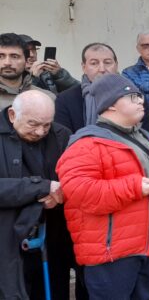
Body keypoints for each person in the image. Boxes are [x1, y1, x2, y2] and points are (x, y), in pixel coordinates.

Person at [56, 73, 149, 299]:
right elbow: (80, 193)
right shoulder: (86, 144)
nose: (141, 101)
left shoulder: (146, 137)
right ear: (110, 106)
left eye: (139, 96)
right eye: (132, 97)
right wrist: (135, 187)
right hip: (114, 251)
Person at [0, 91, 68, 299]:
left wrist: (60, 194)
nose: (40, 132)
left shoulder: (61, 135)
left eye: (46, 125)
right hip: (6, 238)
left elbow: (73, 178)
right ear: (12, 115)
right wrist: (41, 187)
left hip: (51, 234)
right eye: (33, 124)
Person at [55, 42, 149, 134]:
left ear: (116, 65)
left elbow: (148, 135)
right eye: (94, 63)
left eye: (107, 62)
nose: (102, 69)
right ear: (84, 67)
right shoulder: (65, 100)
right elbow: (63, 140)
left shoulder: (134, 96)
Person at [0, 33, 55, 108]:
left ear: (26, 60)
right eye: (1, 56)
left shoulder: (46, 98)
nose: (7, 63)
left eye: (14, 57)